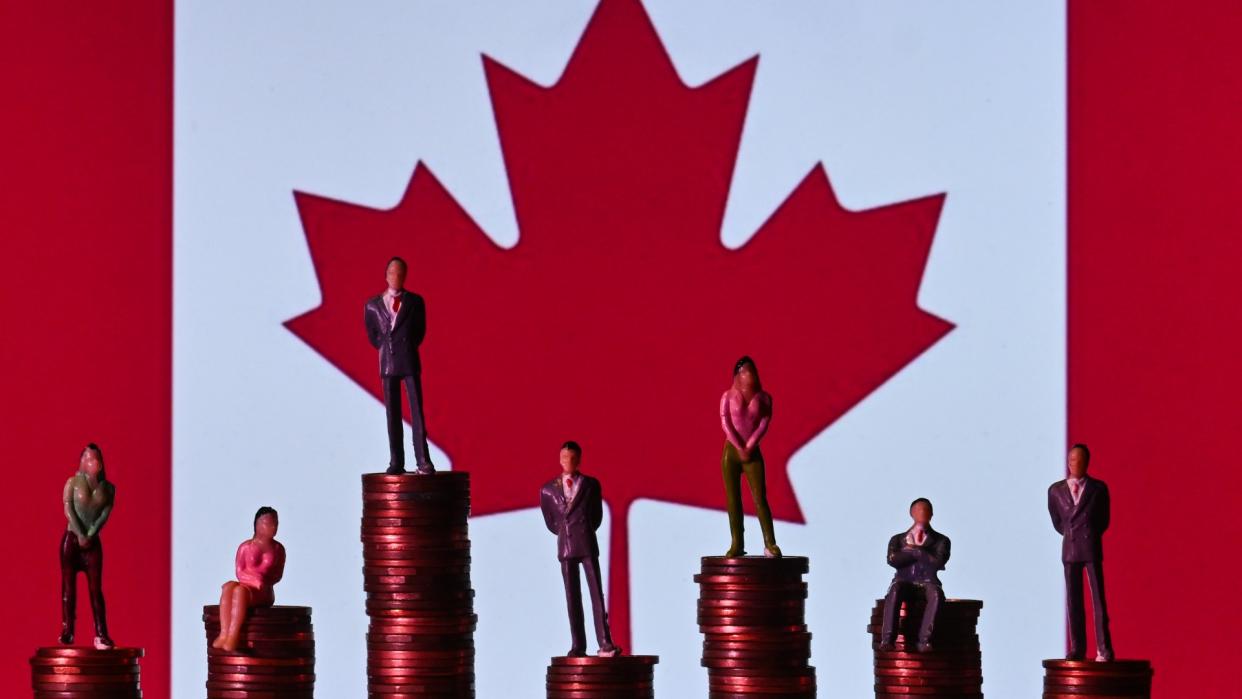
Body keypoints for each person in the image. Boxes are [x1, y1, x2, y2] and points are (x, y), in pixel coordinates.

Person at [539, 441, 621, 657]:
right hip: (566, 546)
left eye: (573, 458)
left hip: (586, 542)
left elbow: (596, 516)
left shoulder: (591, 485)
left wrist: (583, 529)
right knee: (572, 597)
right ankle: (578, 645)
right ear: (559, 459)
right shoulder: (548, 490)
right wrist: (564, 532)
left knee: (597, 594)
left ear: (579, 460)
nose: (569, 462)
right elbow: (550, 520)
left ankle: (605, 642)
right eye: (565, 458)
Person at [364, 256, 433, 475]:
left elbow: (419, 331)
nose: (396, 277)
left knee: (417, 413)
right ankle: (396, 461)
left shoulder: (415, 302)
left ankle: (423, 460)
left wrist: (407, 345)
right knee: (392, 414)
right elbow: (373, 336)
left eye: (400, 273)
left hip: (409, 359)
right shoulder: (372, 305)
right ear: (386, 276)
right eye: (393, 273)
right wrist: (387, 347)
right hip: (388, 362)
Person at [1047, 443, 1114, 661]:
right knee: (1073, 601)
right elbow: (1057, 521)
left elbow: (1103, 520)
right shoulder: (1055, 491)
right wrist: (1070, 533)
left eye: (1082, 460)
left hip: (1090, 545)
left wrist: (1090, 533)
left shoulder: (1099, 488)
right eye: (1074, 460)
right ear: (1068, 462)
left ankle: (1103, 648)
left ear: (1088, 462)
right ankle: (1078, 648)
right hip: (1071, 547)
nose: (1077, 464)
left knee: (1098, 600)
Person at [719, 356, 780, 558]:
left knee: (759, 497)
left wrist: (750, 445)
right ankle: (737, 542)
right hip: (732, 452)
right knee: (733, 499)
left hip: (752, 453)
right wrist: (739, 446)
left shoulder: (764, 399)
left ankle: (770, 543)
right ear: (737, 375)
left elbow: (764, 423)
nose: (749, 376)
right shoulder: (727, 397)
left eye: (751, 371)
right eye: (744, 372)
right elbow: (726, 423)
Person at [60, 443, 116, 649]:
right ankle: (68, 630)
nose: (91, 462)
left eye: (94, 459)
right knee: (68, 588)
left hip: (92, 542)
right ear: (82, 462)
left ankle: (101, 633)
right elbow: (69, 509)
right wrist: (80, 533)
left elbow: (104, 515)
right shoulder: (72, 483)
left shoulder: (108, 488)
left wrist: (91, 534)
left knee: (95, 590)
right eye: (87, 458)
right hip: (72, 540)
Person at [878, 498, 951, 653]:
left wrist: (916, 551)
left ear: (931, 514)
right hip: (904, 579)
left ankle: (925, 640)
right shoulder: (897, 539)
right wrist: (917, 554)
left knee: (937, 595)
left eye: (926, 511)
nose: (922, 514)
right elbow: (892, 560)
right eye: (919, 510)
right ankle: (887, 639)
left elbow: (938, 562)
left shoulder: (941, 540)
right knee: (895, 590)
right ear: (911, 513)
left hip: (928, 580)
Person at [212, 507, 286, 652]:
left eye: (275, 523)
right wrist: (255, 578)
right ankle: (224, 633)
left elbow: (278, 575)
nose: (273, 527)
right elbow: (239, 572)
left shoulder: (278, 549)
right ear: (257, 525)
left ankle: (233, 635)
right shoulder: (245, 547)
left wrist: (265, 580)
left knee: (239, 591)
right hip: (248, 584)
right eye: (267, 523)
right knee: (229, 586)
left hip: (263, 592)